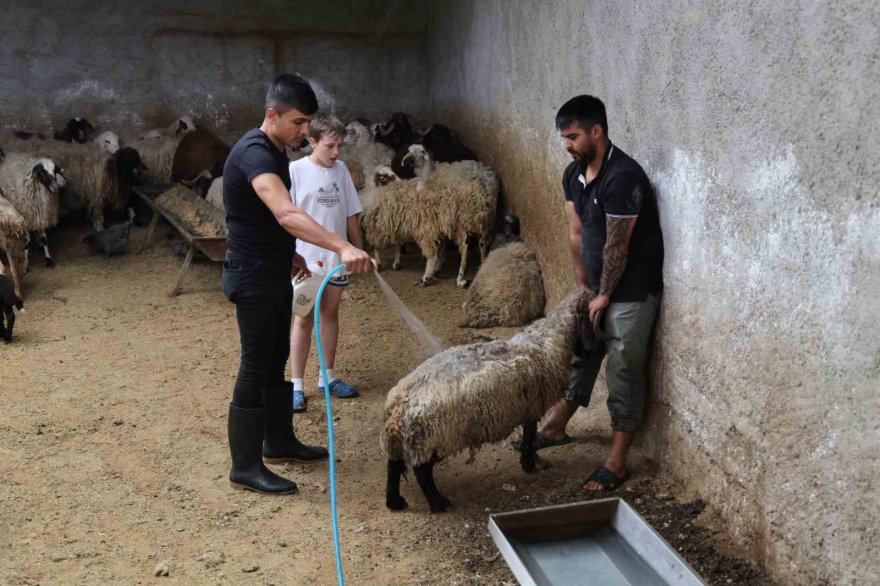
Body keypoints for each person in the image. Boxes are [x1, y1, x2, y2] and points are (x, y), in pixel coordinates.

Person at [221, 74, 375, 495]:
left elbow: (262, 219)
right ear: (272, 114)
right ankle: (245, 466)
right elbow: (285, 213)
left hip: (274, 269)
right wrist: (342, 246)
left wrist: (290, 253)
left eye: (308, 122)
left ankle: (279, 442)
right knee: (255, 364)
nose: (305, 131)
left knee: (276, 356)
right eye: (298, 122)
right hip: (252, 274)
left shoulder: (275, 151)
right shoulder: (254, 153)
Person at [516, 95, 664, 491]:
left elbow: (618, 247)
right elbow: (577, 232)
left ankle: (617, 460)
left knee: (623, 367)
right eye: (563, 138)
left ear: (596, 131)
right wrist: (583, 287)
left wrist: (604, 295)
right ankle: (555, 425)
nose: (567, 144)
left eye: (573, 137)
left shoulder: (623, 177)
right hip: (596, 287)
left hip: (632, 290)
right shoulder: (573, 174)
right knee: (581, 349)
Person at [288, 114, 365, 412]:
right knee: (303, 318)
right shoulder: (296, 171)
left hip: (336, 260)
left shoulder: (341, 170)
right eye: (330, 146)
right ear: (312, 142)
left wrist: (358, 250)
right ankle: (296, 385)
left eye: (340, 146)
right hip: (306, 260)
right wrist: (290, 255)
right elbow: (287, 217)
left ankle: (327, 377)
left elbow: (350, 214)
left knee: (330, 314)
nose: (336, 152)